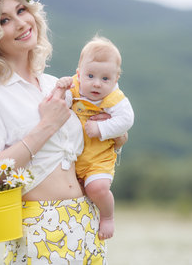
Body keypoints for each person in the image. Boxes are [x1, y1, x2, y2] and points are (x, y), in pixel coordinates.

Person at [0, 0, 125, 264]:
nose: (21, 23)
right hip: (37, 226)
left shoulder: (55, 84)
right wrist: (47, 125)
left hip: (86, 219)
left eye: (21, 11)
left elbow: (87, 146)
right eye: (3, 20)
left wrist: (117, 136)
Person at [55, 36, 134, 240]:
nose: (97, 84)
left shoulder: (114, 99)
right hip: (72, 159)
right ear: (79, 73)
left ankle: (107, 216)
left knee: (97, 188)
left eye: (105, 79)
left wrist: (101, 128)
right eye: (90, 76)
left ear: (116, 79)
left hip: (99, 159)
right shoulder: (74, 87)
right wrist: (61, 89)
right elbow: (58, 104)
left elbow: (127, 120)